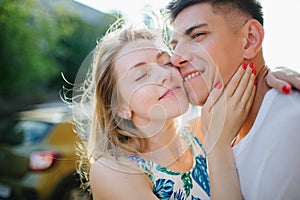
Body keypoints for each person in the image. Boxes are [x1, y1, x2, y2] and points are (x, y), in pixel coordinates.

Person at [72, 21, 258, 200]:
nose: (164, 75)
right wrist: (219, 146)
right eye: (142, 75)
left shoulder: (205, 129)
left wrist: (272, 79)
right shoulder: (113, 171)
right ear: (121, 107)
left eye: (166, 63)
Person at [165, 0, 300, 199]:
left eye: (197, 35)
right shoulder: (215, 131)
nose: (175, 59)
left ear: (250, 39)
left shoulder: (290, 125)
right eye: (174, 47)